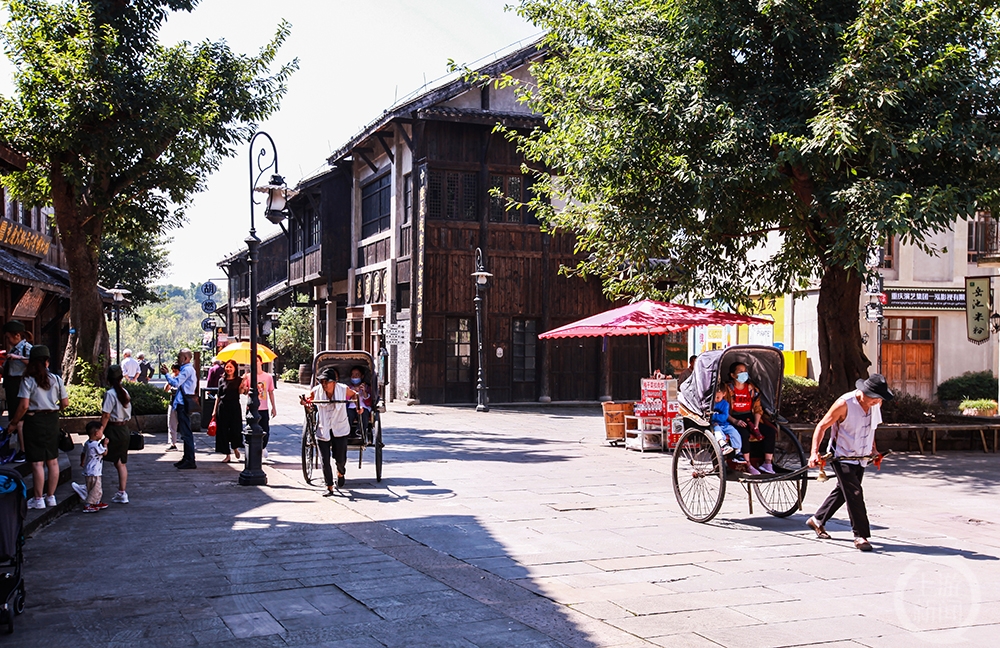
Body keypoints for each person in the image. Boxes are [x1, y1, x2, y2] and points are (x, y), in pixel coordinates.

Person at [807, 374, 893, 552]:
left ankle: (817, 520)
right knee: (854, 492)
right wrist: (814, 453)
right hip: (842, 456)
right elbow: (822, 426)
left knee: (843, 491)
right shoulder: (844, 403)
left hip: (861, 457)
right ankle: (860, 535)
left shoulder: (876, 404)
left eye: (879, 399)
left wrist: (874, 451)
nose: (876, 402)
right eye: (874, 398)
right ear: (863, 392)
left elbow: (871, 429)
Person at [6, 345, 69, 509]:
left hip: (34, 421)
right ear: (47, 362)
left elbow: (24, 406)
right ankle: (51, 497)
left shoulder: (27, 380)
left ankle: (38, 498)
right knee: (53, 461)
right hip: (52, 420)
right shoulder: (56, 379)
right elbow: (65, 403)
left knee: (37, 463)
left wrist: (13, 423)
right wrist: (53, 409)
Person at [301, 367, 359, 492]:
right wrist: (304, 400)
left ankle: (340, 472)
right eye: (322, 382)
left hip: (340, 427)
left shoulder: (343, 389)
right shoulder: (317, 390)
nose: (324, 384)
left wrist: (359, 407)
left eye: (326, 381)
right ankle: (329, 486)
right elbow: (308, 396)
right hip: (323, 428)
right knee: (324, 459)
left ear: (334, 382)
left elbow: (355, 395)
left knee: (341, 459)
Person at [723, 361, 777, 474]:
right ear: (733, 375)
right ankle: (748, 464)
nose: (744, 374)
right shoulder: (727, 389)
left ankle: (767, 463)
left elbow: (758, 409)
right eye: (740, 372)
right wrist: (735, 421)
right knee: (744, 434)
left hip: (750, 417)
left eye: (745, 372)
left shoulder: (752, 389)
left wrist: (756, 424)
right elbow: (722, 408)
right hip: (732, 418)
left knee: (770, 431)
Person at [99, 365, 132, 503]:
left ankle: (92, 487)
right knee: (121, 462)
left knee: (97, 457)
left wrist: (100, 430)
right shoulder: (125, 392)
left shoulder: (110, 394)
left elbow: (106, 414)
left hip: (112, 429)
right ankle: (122, 492)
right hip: (124, 429)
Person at [2, 320, 31, 463]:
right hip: (11, 385)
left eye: (8, 337)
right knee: (16, 419)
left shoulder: (26, 348)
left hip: (19, 385)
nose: (7, 340)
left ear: (17, 335)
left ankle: (24, 450)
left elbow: (35, 363)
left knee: (19, 420)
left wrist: (18, 358)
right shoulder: (14, 349)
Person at [164, 349, 198, 469]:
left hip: (183, 404)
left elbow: (176, 382)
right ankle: (187, 457)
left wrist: (167, 374)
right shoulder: (187, 369)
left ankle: (190, 459)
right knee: (184, 432)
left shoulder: (187, 370)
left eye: (180, 357)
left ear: (186, 358)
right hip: (181, 403)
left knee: (186, 432)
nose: (178, 359)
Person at [71, 421, 109, 513]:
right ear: (96, 433)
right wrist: (105, 444)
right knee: (96, 489)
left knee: (92, 487)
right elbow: (104, 453)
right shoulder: (96, 445)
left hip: (88, 470)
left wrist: (82, 462)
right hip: (95, 471)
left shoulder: (88, 443)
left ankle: (96, 502)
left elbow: (83, 453)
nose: (102, 434)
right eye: (101, 432)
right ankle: (89, 504)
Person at [243, 354, 276, 457]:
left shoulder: (268, 377)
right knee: (250, 431)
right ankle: (253, 451)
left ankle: (262, 447)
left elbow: (270, 392)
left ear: (261, 362)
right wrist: (243, 382)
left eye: (257, 361)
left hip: (264, 408)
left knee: (265, 430)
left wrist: (274, 407)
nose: (255, 363)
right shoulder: (248, 376)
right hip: (251, 408)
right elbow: (244, 392)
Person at [212, 359, 245, 463]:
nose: (229, 369)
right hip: (223, 407)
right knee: (223, 431)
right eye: (227, 366)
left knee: (235, 429)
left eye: (231, 367)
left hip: (234, 406)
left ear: (235, 368)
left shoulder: (239, 380)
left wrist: (242, 385)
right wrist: (214, 410)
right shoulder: (221, 380)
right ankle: (227, 454)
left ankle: (235, 447)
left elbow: (241, 392)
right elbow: (218, 396)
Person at [711, 387, 747, 463]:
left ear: (724, 394)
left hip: (725, 424)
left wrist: (714, 417)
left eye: (718, 397)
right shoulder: (710, 403)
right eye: (714, 397)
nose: (716, 399)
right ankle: (723, 445)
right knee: (717, 430)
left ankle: (737, 451)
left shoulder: (725, 404)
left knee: (734, 432)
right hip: (714, 424)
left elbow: (725, 417)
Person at [346, 366, 372, 441]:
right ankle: (347, 432)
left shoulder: (367, 387)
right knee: (348, 414)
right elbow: (346, 399)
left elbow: (369, 402)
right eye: (353, 375)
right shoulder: (348, 388)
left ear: (362, 376)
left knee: (364, 414)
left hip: (363, 407)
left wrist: (364, 392)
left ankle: (360, 431)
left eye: (357, 375)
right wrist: (352, 392)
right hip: (351, 407)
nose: (354, 377)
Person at [164, 363, 180, 451]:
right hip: (172, 403)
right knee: (171, 424)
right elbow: (165, 389)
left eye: (176, 371)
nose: (174, 372)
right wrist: (169, 380)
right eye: (173, 370)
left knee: (183, 424)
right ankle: (172, 443)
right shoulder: (172, 378)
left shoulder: (182, 378)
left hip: (181, 404)